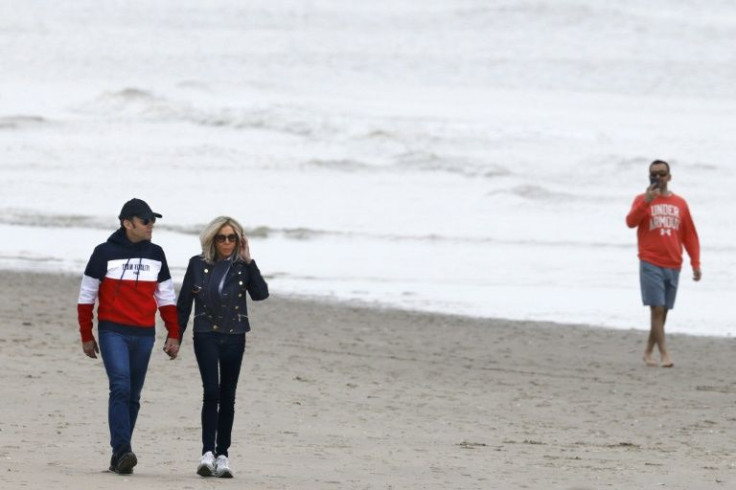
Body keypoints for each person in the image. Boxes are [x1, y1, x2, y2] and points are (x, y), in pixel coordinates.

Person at [77, 198, 181, 474]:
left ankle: (118, 457)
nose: (151, 226)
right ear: (127, 223)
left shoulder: (157, 254)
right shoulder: (103, 253)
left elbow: (167, 297)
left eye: (153, 221)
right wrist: (86, 334)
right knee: (120, 387)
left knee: (133, 396)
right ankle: (123, 449)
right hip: (113, 331)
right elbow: (86, 296)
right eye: (146, 221)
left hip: (145, 334)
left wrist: (174, 332)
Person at [177, 216, 269, 478]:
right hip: (205, 333)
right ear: (212, 239)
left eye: (232, 237)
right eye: (222, 237)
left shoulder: (242, 267)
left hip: (235, 335)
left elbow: (261, 294)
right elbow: (183, 303)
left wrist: (250, 260)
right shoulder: (197, 264)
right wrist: (175, 337)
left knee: (228, 395)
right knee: (211, 392)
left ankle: (223, 455)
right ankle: (207, 453)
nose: (227, 242)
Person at [626, 160, 701, 368]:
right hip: (650, 261)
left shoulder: (680, 203)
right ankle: (664, 354)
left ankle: (648, 351)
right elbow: (630, 222)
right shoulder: (642, 200)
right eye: (654, 174)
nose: (658, 177)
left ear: (669, 176)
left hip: (674, 263)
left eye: (662, 173)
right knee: (656, 309)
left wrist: (695, 262)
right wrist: (646, 202)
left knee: (663, 312)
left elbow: (690, 235)